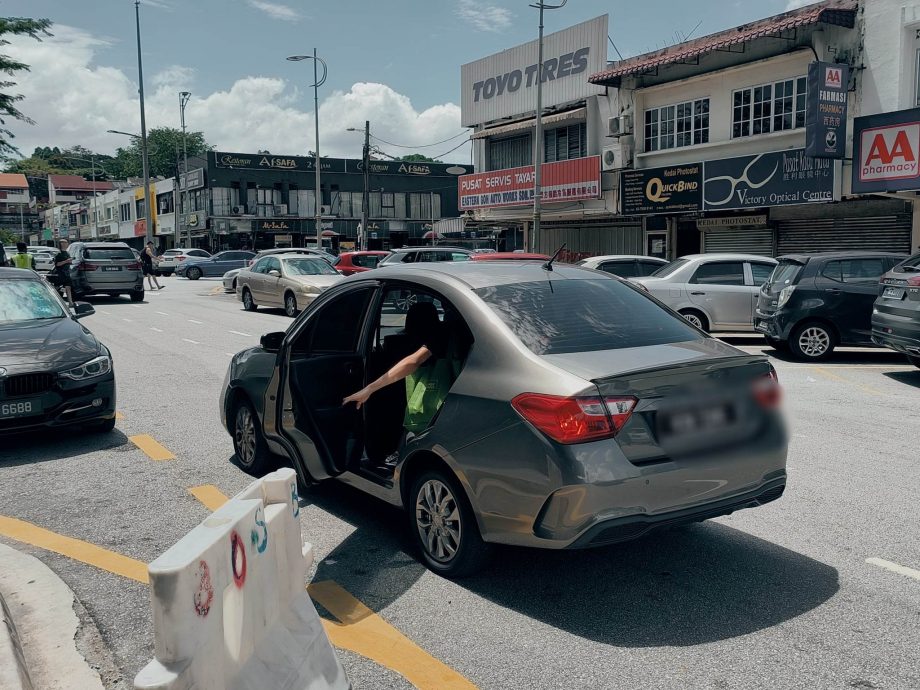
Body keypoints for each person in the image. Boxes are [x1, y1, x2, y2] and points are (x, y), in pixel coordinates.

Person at [343, 302, 459, 464]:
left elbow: (414, 361)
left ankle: (397, 456)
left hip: (432, 416)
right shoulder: (460, 334)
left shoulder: (441, 335)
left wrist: (369, 389)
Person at [53, 239, 76, 308]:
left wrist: (70, 261)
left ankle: (70, 302)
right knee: (58, 288)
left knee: (68, 287)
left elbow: (68, 262)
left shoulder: (67, 253)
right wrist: (66, 261)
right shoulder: (59, 254)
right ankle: (56, 301)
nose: (67, 243)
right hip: (61, 273)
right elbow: (57, 264)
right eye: (66, 242)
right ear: (62, 244)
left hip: (67, 272)